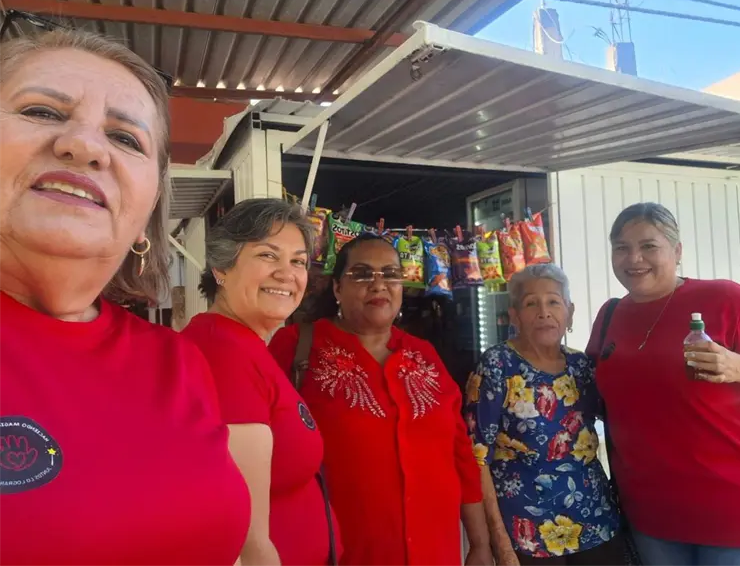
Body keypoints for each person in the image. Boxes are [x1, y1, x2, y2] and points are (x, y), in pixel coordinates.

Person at [0, 30, 249, 565]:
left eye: (127, 139)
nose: (85, 146)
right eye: (42, 111)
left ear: (147, 210)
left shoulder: (176, 359)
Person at [586, 202, 740, 566]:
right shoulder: (610, 315)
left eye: (649, 246)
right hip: (652, 520)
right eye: (621, 247)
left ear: (677, 251)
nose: (634, 258)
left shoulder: (724, 300)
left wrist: (738, 366)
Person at [268, 235, 493, 566]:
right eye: (361, 274)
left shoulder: (424, 355)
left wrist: (480, 543)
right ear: (336, 288)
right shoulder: (296, 347)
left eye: (390, 274)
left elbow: (460, 453)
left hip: (435, 551)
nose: (379, 285)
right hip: (339, 552)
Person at [182, 198, 342, 566]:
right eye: (268, 256)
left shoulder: (242, 345)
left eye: (298, 261)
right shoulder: (222, 352)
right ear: (222, 267)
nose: (287, 274)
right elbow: (247, 540)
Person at [465, 264, 622, 566]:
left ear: (570, 312)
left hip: (596, 522)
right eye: (530, 303)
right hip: (525, 531)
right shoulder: (498, 365)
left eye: (553, 301)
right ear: (514, 315)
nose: (543, 312)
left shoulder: (582, 366)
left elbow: (620, 425)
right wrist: (496, 541)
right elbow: (476, 456)